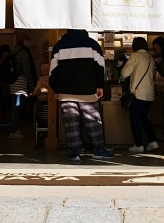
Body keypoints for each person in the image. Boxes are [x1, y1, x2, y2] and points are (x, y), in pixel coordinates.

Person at [48, 29, 115, 162]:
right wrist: (100, 85)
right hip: (88, 91)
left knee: (71, 124)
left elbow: (52, 73)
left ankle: (74, 152)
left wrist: (57, 90)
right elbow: (100, 68)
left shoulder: (59, 46)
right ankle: (98, 150)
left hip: (65, 92)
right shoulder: (92, 44)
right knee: (93, 122)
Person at [120, 37, 158, 154]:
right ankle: (152, 141)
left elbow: (125, 73)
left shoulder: (135, 56)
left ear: (134, 46)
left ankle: (138, 144)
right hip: (149, 93)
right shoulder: (150, 58)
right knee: (144, 118)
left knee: (135, 119)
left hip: (137, 93)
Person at [8, 36, 36, 139]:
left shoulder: (14, 52)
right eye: (28, 40)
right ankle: (14, 131)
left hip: (13, 84)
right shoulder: (23, 53)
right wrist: (32, 85)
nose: (29, 42)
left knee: (14, 108)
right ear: (24, 41)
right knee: (18, 108)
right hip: (20, 86)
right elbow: (27, 71)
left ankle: (14, 129)